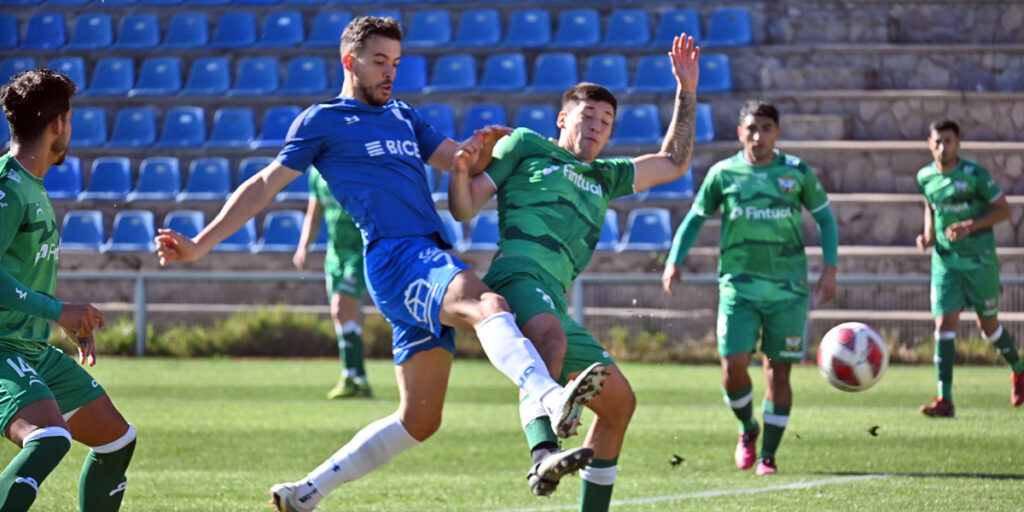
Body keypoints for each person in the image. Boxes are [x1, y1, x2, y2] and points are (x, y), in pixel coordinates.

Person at [153, 17, 605, 512]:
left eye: (396, 63)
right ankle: (549, 396)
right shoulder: (322, 120)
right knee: (487, 302)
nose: (390, 73)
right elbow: (263, 185)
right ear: (350, 62)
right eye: (379, 62)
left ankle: (306, 492)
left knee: (420, 419)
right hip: (398, 254)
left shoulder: (403, 115)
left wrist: (486, 147)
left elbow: (460, 160)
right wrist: (198, 243)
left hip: (422, 256)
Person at [449, 35, 700, 510]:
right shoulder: (525, 146)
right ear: (563, 119)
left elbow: (674, 162)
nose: (597, 127)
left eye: (606, 122)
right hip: (518, 277)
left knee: (619, 403)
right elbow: (465, 208)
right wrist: (460, 171)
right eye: (588, 116)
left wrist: (685, 90)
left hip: (554, 298)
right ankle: (544, 452)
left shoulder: (605, 176)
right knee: (550, 339)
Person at [661, 101, 839, 476]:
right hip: (738, 290)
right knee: (734, 367)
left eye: (766, 129)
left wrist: (830, 269)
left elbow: (825, 220)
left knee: (779, 373)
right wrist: (674, 259)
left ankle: (769, 456)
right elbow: (695, 218)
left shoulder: (796, 172)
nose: (758, 136)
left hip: (788, 290)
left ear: (777, 132)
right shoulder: (724, 173)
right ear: (740, 132)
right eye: (751, 129)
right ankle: (747, 428)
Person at [0, 69, 135, 511]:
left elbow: (19, 275)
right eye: (70, 118)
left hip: (32, 347)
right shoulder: (7, 188)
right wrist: (58, 310)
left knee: (117, 441)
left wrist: (60, 320)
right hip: (3, 348)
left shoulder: (31, 186)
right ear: (58, 124)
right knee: (49, 439)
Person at [915, 119, 1021, 418]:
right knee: (943, 325)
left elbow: (1004, 209)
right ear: (929, 143)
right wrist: (927, 235)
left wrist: (970, 226)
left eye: (947, 141)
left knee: (988, 327)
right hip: (946, 263)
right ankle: (944, 399)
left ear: (958, 143)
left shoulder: (974, 175)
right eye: (936, 142)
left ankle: (1018, 369)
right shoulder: (925, 176)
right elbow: (930, 206)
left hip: (979, 261)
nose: (942, 147)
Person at [293, 166, 373, 399]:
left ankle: (351, 376)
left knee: (341, 306)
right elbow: (313, 213)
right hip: (334, 255)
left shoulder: (353, 166)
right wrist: (303, 246)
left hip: (359, 251)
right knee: (343, 315)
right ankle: (358, 378)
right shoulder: (316, 174)